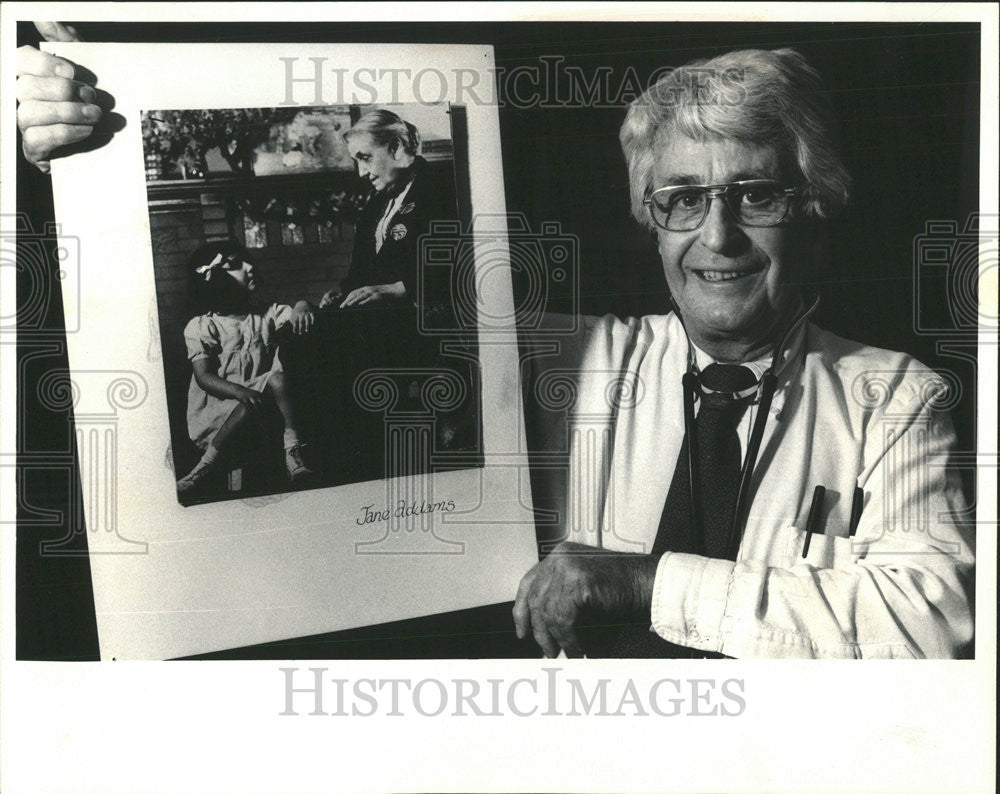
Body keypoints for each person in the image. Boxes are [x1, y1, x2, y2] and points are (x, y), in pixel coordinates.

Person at [512, 48, 975, 659]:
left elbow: (933, 626)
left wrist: (648, 584)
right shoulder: (564, 362)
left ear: (812, 210)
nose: (716, 236)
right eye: (683, 199)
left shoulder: (895, 396)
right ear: (652, 224)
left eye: (755, 195)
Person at [177, 241, 316, 495]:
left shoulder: (267, 314)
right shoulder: (203, 325)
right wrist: (240, 391)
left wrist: (303, 304)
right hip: (223, 407)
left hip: (268, 405)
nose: (250, 266)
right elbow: (204, 376)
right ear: (215, 278)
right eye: (237, 265)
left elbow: (293, 314)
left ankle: (293, 451)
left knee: (279, 379)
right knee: (248, 404)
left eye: (248, 260)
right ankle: (205, 465)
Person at [317, 108, 456, 312]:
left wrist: (398, 289)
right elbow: (362, 273)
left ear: (396, 147)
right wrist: (344, 294)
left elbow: (458, 266)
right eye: (357, 162)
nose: (362, 172)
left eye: (365, 158)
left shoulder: (441, 188)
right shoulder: (375, 204)